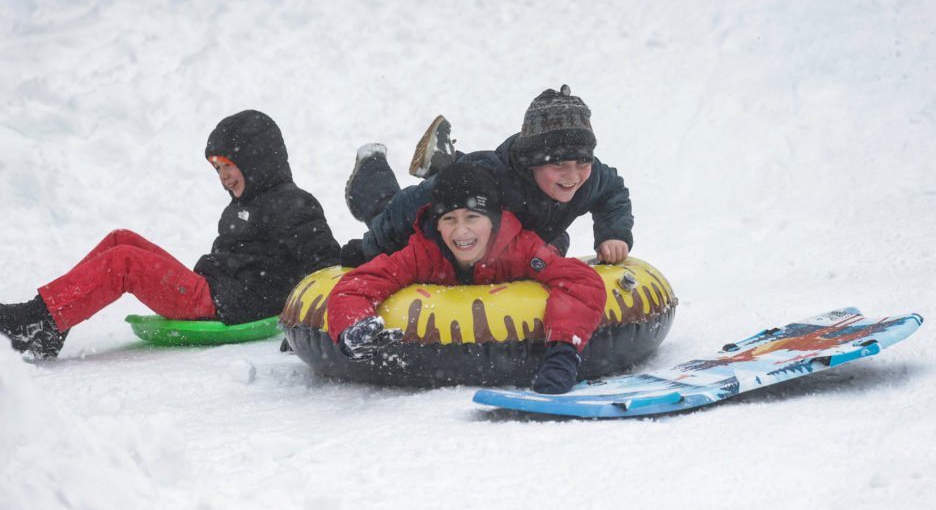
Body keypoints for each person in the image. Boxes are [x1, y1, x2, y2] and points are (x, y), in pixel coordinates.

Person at [0, 110, 343, 359]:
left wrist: (305, 330)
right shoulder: (242, 205)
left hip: (224, 304)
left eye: (229, 165)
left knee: (124, 262)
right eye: (217, 168)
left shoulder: (294, 205)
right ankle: (50, 323)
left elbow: (325, 265)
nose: (223, 176)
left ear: (256, 160)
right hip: (214, 290)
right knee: (121, 239)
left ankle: (36, 323)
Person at [328, 162, 607, 394]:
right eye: (449, 219)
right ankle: (372, 164)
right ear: (437, 224)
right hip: (393, 227)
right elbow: (356, 287)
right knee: (377, 220)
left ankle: (559, 239)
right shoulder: (423, 252)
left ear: (494, 220)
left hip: (535, 243)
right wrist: (353, 327)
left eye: (473, 217)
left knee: (552, 246)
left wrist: (562, 353)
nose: (461, 232)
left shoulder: (519, 248)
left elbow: (579, 281)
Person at [342, 85, 633, 267]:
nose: (573, 175)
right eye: (559, 164)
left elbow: (613, 192)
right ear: (532, 162)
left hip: (527, 229)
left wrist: (613, 234)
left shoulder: (589, 178)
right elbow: (407, 208)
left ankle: (445, 162)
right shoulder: (494, 181)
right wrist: (372, 251)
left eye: (583, 161)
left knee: (553, 240)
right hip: (462, 199)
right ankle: (371, 164)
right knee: (385, 209)